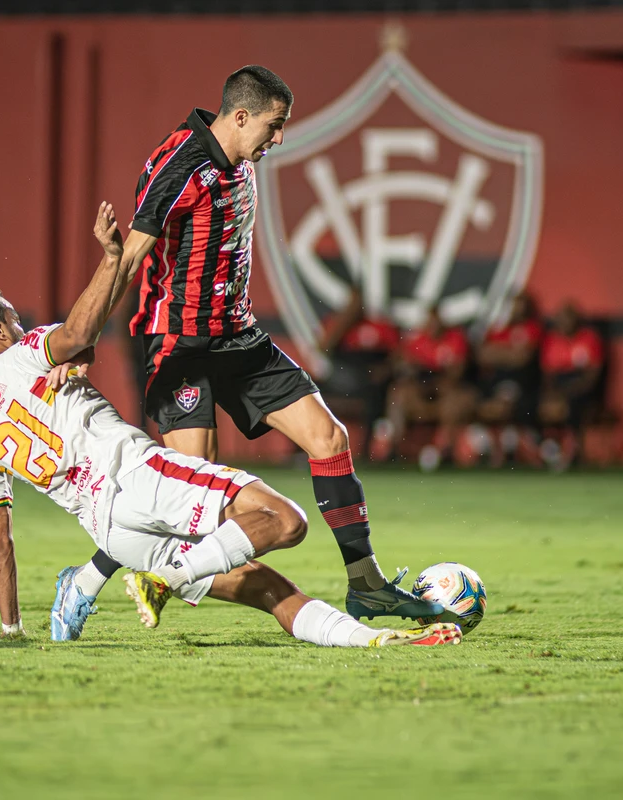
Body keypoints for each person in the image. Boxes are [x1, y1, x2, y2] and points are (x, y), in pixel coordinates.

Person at [0, 202, 460, 649]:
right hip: (139, 479)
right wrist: (112, 259)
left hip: (112, 532)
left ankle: (376, 640)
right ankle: (163, 581)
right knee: (286, 520)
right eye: (13, 320)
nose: (22, 326)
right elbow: (78, 332)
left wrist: (11, 628)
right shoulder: (25, 354)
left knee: (267, 589)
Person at [50, 66, 441, 640]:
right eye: (273, 125)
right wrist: (78, 343)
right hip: (179, 348)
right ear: (239, 117)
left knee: (330, 439)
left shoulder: (241, 161)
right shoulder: (179, 165)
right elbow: (127, 260)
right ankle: (88, 578)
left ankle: (366, 584)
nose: (279, 138)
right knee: (194, 498)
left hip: (240, 339)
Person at [376, 307, 476, 472]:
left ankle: (446, 451)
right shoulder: (416, 341)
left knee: (454, 401)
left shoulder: (454, 339)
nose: (433, 326)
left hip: (445, 391)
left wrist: (436, 379)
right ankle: (394, 448)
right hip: (420, 391)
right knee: (398, 394)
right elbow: (403, 366)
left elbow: (457, 372)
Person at [314, 284, 399, 458]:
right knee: (307, 389)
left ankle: (365, 451)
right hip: (343, 378)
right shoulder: (337, 325)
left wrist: (383, 370)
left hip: (369, 380)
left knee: (375, 391)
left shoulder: (379, 326)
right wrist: (345, 321)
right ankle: (303, 449)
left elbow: (396, 356)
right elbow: (323, 348)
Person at [474, 293, 543, 467]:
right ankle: (497, 447)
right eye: (513, 305)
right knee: (483, 406)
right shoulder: (499, 329)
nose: (516, 310)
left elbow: (522, 358)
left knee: (502, 405)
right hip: (494, 382)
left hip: (521, 382)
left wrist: (498, 352)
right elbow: (482, 354)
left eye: (520, 306)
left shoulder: (532, 328)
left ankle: (509, 450)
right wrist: (510, 352)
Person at [538, 301, 605, 471]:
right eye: (561, 318)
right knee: (542, 405)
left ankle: (575, 452)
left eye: (569, 317)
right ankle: (548, 451)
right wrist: (553, 394)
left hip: (581, 388)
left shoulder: (589, 338)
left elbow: (592, 376)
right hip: (560, 386)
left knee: (573, 406)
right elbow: (548, 375)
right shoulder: (552, 339)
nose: (565, 322)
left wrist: (567, 392)